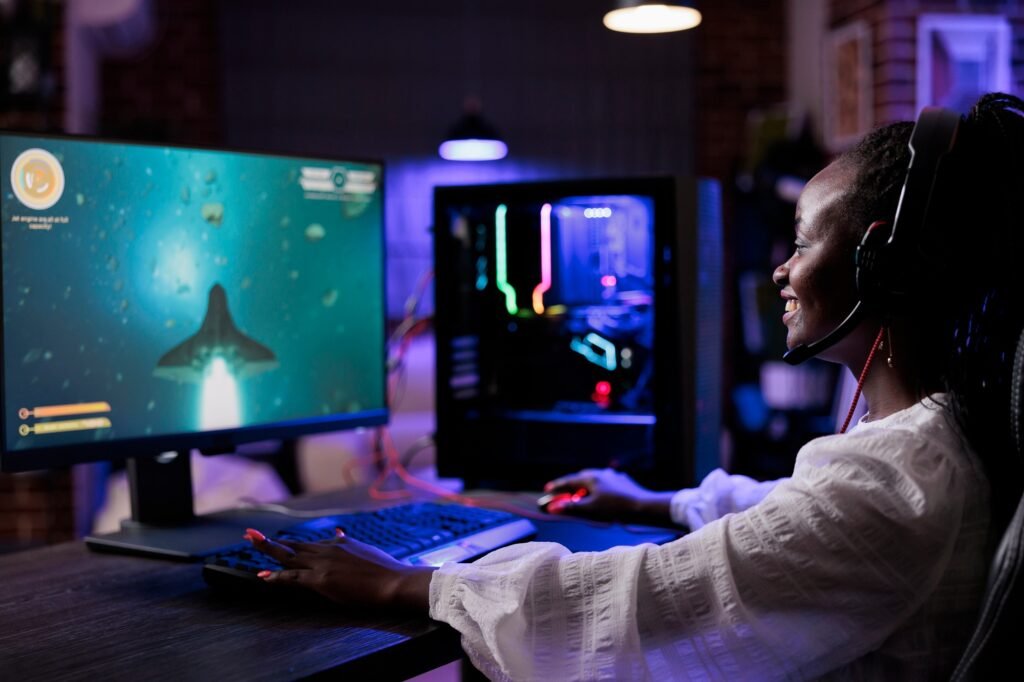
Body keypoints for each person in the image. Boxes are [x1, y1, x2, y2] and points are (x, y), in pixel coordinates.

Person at [244, 93, 1024, 680]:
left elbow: (646, 600)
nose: (782, 269)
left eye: (800, 242)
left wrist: (402, 587)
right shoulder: (932, 441)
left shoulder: (893, 484)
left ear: (875, 263)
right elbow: (791, 527)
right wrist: (652, 502)